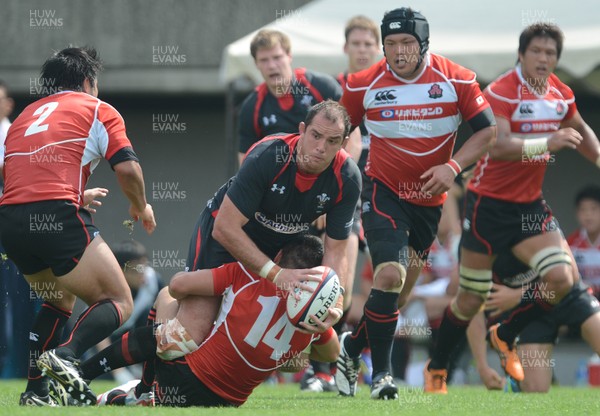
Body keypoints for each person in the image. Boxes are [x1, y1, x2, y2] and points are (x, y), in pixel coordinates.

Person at [425, 23, 600, 394]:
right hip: (488, 206)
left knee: (562, 278)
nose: (543, 58)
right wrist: (547, 143)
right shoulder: (501, 90)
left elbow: (582, 131)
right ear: (521, 54)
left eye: (550, 53)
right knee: (470, 298)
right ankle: (436, 368)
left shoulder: (560, 93)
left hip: (529, 207)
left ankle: (505, 333)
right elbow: (499, 145)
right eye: (536, 51)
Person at [335, 8, 496, 400]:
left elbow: (489, 130)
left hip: (429, 202)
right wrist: (333, 190)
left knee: (399, 294)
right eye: (391, 44)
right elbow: (339, 134)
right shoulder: (361, 84)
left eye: (407, 42)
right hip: (382, 191)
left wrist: (453, 166)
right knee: (388, 275)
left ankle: (351, 348)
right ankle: (382, 377)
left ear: (423, 43)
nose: (399, 51)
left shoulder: (456, 79)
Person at [0, 47, 156, 406]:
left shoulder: (23, 116)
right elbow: (128, 170)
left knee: (58, 301)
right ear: (89, 81)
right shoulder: (97, 108)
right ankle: (66, 357)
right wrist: (140, 205)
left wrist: (74, 193)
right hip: (54, 215)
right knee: (118, 300)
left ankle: (36, 391)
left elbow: (16, 175)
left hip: (11, 220)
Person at [51, 235, 339, 407]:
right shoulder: (314, 321)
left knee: (166, 296)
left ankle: (121, 382)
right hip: (228, 403)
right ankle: (143, 392)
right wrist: (323, 324)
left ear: (277, 257)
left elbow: (178, 286)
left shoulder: (248, 275)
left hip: (184, 379)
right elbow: (332, 354)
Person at [300, 14, 382, 394]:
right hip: (338, 199)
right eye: (357, 44)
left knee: (370, 290)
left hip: (383, 200)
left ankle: (350, 360)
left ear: (378, 48)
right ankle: (320, 371)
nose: (363, 50)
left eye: (369, 44)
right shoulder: (336, 92)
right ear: (346, 48)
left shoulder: (392, 90)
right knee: (329, 285)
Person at [467, 243, 600, 392]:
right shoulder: (478, 242)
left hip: (568, 297)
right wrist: (482, 367)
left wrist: (519, 295)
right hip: (532, 311)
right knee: (535, 389)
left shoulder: (537, 224)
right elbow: (471, 306)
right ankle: (516, 383)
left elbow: (571, 275)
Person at [237, 29, 346, 166]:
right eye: (264, 60)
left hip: (326, 175)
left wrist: (342, 176)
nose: (271, 66)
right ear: (256, 64)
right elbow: (246, 159)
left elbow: (352, 135)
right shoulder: (251, 107)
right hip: (279, 182)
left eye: (277, 57)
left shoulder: (322, 86)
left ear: (289, 56)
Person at [567, 185, 600, 299]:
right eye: (583, 209)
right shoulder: (570, 244)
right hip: (582, 300)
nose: (588, 214)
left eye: (593, 208)